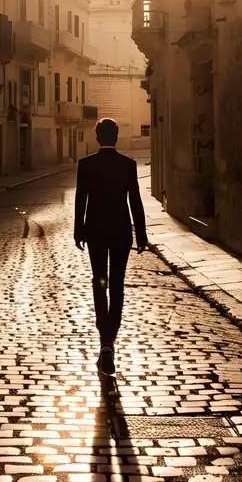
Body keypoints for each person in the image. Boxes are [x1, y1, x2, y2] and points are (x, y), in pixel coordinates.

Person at [74, 117, 148, 376]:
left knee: (99, 281)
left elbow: (80, 199)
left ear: (97, 137)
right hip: (120, 232)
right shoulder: (127, 165)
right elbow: (135, 202)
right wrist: (142, 235)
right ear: (116, 137)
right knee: (117, 286)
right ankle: (109, 342)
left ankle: (103, 336)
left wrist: (78, 231)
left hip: (95, 231)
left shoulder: (86, 165)